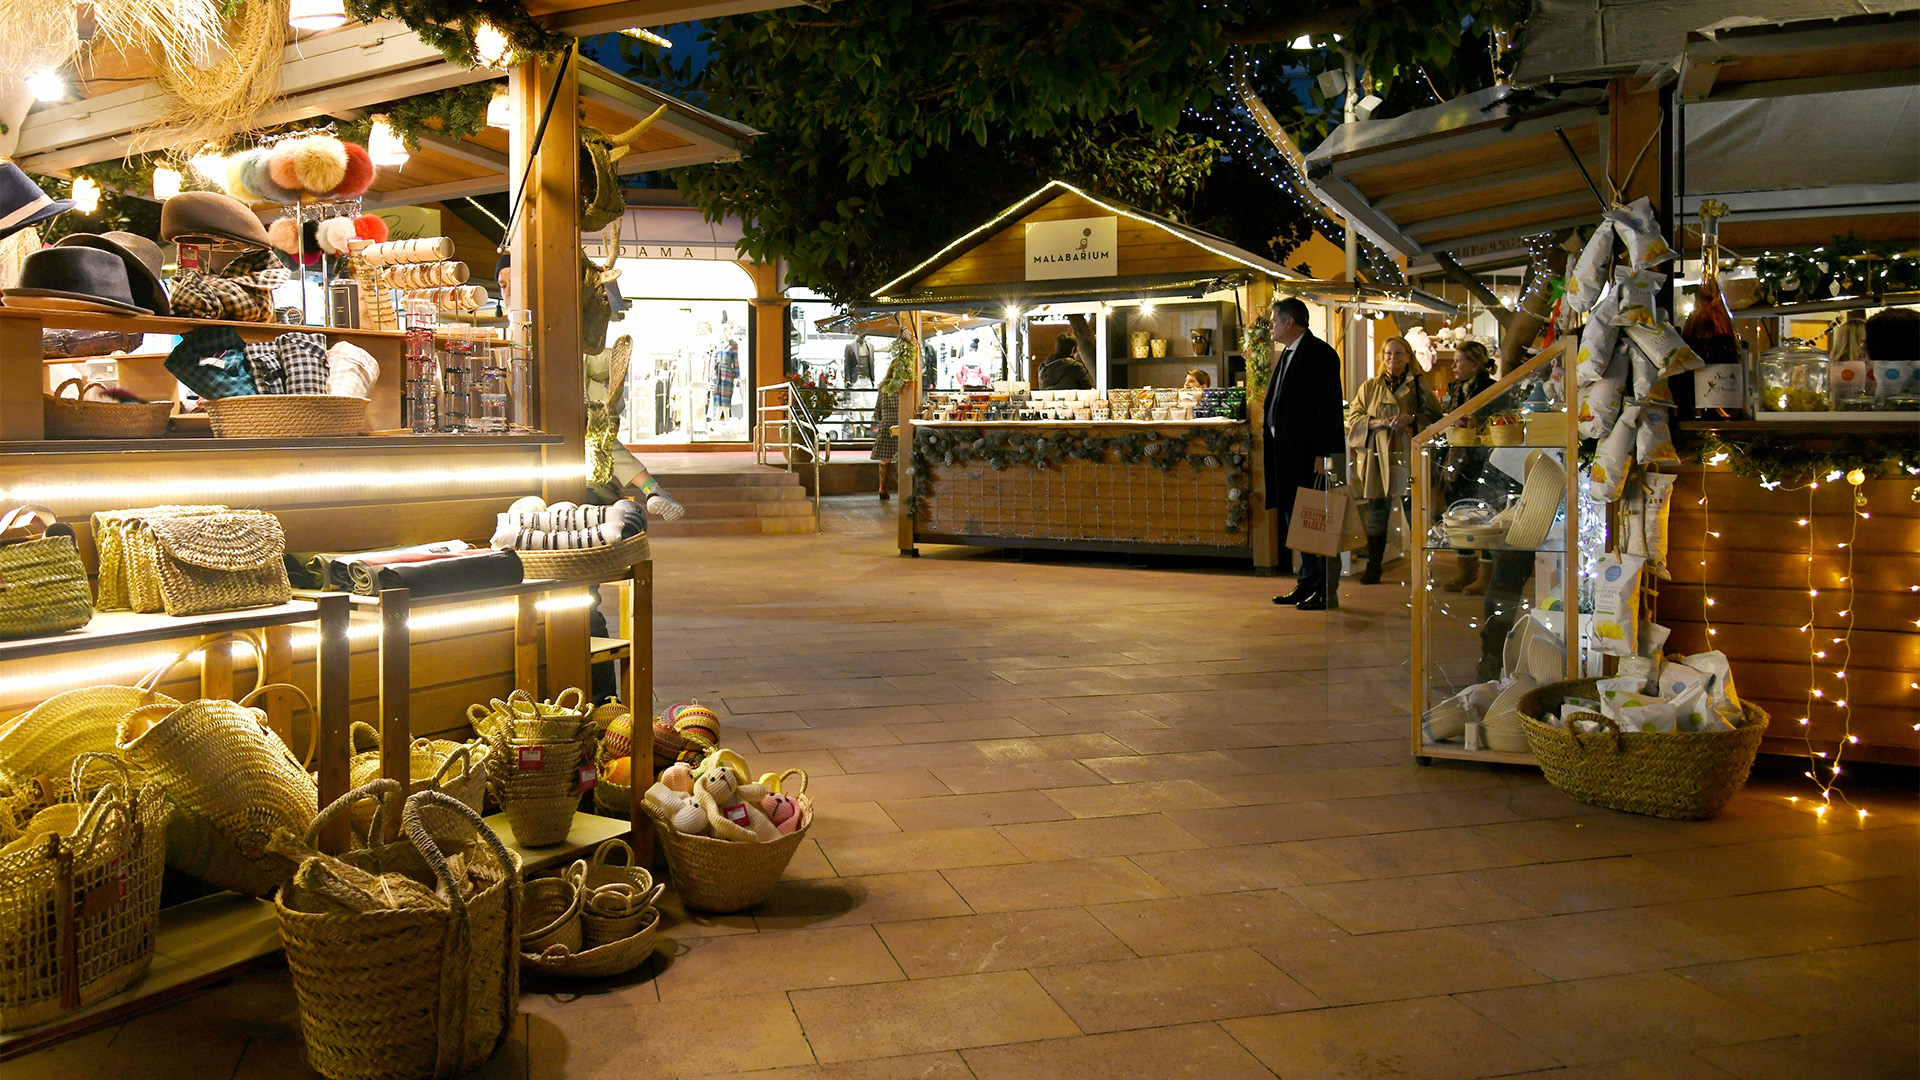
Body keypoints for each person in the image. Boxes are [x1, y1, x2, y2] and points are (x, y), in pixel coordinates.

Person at [1264, 297, 1347, 611]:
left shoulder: (1319, 354)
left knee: (1320, 523)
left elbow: (1327, 408)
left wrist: (1324, 453)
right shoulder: (1288, 353)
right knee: (1299, 522)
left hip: (1313, 458)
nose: (1271, 326)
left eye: (1274, 320)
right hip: (1288, 455)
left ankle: (1326, 590)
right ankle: (1306, 583)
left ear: (1289, 322)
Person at [1345, 335, 1437, 585]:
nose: (1392, 358)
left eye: (1398, 353)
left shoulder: (1419, 385)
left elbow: (1435, 417)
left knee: (1414, 513)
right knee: (1377, 513)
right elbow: (1353, 420)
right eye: (1387, 353)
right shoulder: (1370, 387)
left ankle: (1422, 570)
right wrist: (1380, 423)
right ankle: (1373, 567)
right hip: (1377, 457)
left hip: (1408, 456)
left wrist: (1412, 419)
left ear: (1408, 357)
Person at [1438, 341, 1497, 594]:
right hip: (1457, 461)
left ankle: (1486, 576)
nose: (1453, 366)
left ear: (1474, 364)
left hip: (1481, 460)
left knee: (1484, 515)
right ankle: (1465, 572)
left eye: (1458, 360)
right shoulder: (1457, 390)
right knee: (1460, 513)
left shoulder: (1491, 389)